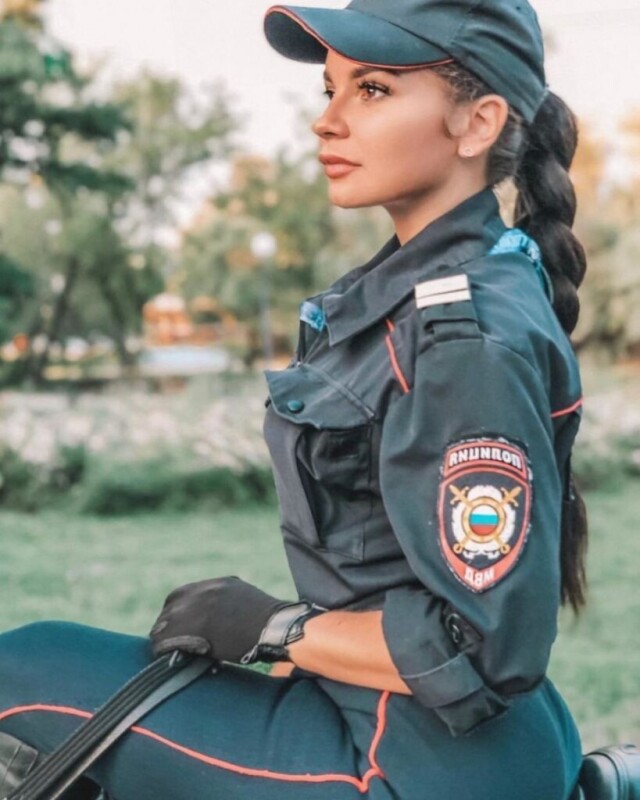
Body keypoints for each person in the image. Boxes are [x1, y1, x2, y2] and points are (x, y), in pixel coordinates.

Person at [0, 0, 589, 798]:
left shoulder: (464, 336)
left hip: (414, 765)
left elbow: (482, 647)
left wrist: (274, 625)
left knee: (18, 676)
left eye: (373, 90)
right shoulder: (420, 295)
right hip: (408, 727)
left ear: (478, 123)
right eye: (329, 90)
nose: (328, 122)